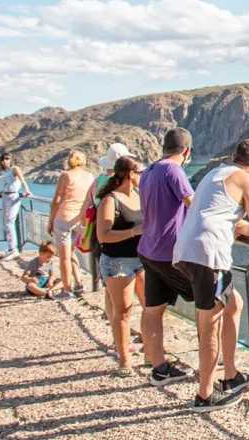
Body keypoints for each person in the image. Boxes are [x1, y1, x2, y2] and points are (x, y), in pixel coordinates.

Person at [173, 139, 249, 412]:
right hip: (208, 254)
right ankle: (205, 395)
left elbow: (221, 216)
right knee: (210, 323)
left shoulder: (214, 174)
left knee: (234, 305)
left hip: (185, 249)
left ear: (234, 156)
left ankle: (232, 375)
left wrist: (238, 225)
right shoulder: (246, 179)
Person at [138, 128, 197, 386]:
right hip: (170, 252)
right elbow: (194, 204)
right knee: (215, 302)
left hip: (148, 249)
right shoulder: (174, 171)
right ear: (187, 151)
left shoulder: (148, 171)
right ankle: (215, 370)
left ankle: (159, 368)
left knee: (153, 310)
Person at [95, 156, 145, 377]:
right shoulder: (110, 200)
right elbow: (103, 236)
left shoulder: (139, 195)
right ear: (130, 174)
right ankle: (124, 361)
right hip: (118, 262)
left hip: (142, 259)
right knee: (123, 311)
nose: (142, 176)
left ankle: (151, 355)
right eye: (140, 172)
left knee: (150, 306)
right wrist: (133, 232)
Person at [47, 150, 95, 296]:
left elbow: (56, 201)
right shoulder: (90, 176)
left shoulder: (66, 175)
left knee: (64, 257)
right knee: (72, 253)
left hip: (64, 218)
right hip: (80, 220)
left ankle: (67, 290)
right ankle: (79, 284)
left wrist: (50, 220)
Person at [0, 153, 32, 262]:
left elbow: (22, 180)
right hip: (5, 196)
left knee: (10, 222)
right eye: (2, 159)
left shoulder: (15, 169)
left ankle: (14, 249)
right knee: (6, 223)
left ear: (11, 160)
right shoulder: (5, 172)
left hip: (13, 197)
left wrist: (27, 190)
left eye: (7, 159)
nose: (4, 161)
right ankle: (10, 248)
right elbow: (7, 186)